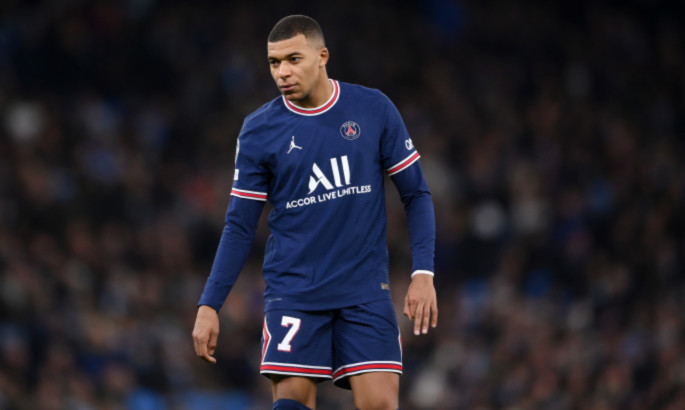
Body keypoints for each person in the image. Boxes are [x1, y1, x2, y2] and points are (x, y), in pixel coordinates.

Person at [192, 14, 437, 410]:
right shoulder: (258, 130)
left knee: (380, 405)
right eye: (274, 62)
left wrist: (423, 273)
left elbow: (417, 194)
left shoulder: (373, 108)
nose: (282, 72)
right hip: (295, 293)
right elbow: (239, 225)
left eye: (294, 59)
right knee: (291, 403)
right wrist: (209, 304)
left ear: (322, 56)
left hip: (364, 291)